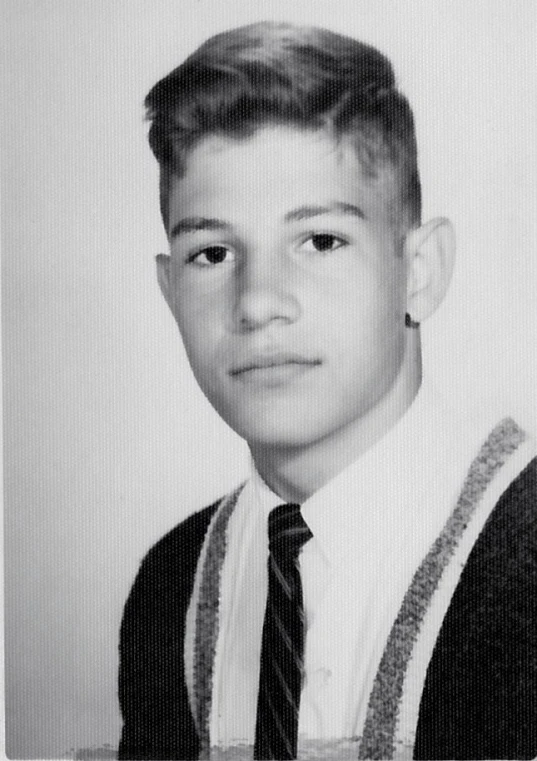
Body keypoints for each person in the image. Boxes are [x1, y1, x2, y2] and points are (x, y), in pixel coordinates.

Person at [118, 21, 537, 760]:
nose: (256, 302)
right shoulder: (171, 586)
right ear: (168, 288)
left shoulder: (522, 557)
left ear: (420, 270)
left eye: (319, 241)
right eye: (211, 253)